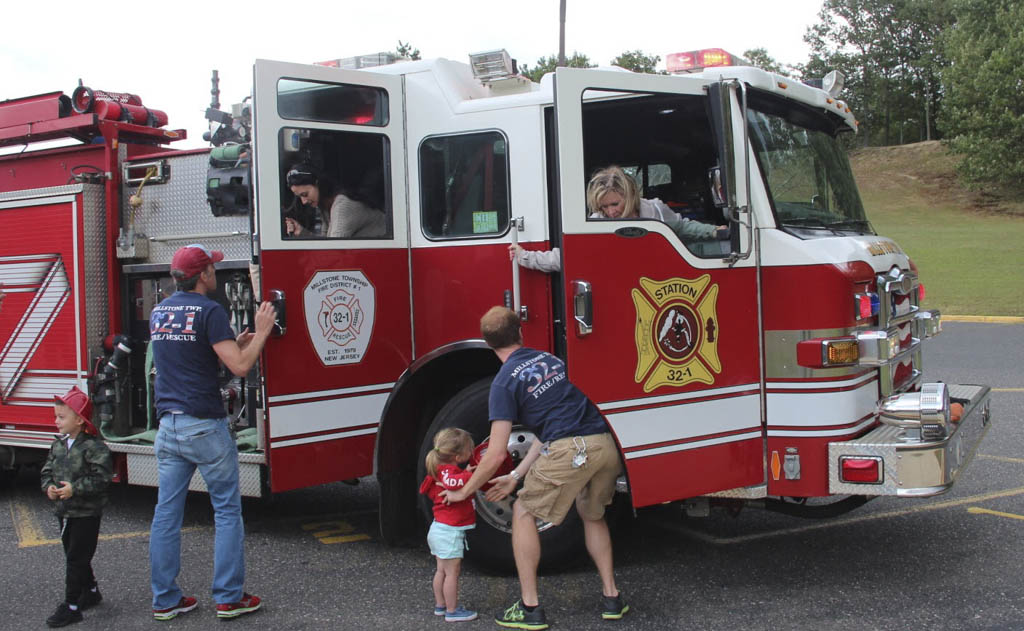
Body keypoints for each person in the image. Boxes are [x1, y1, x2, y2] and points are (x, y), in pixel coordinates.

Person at [443, 306, 628, 629]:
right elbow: (545, 433)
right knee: (592, 514)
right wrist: (517, 476)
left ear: (489, 345)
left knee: (524, 513)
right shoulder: (549, 360)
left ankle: (530, 609)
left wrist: (464, 492)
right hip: (604, 445)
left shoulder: (503, 383)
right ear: (521, 333)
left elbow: (496, 451)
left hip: (570, 450)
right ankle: (612, 599)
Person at [148, 243, 275, 621]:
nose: (215, 273)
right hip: (204, 425)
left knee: (166, 515)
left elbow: (188, 358)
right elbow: (239, 368)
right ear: (203, 275)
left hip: (168, 426)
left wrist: (229, 347)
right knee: (226, 512)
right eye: (212, 269)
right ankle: (228, 597)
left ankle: (166, 600)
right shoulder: (210, 310)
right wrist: (263, 331)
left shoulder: (160, 311)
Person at [509, 165, 729, 272]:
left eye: (615, 204)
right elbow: (565, 258)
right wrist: (524, 256)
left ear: (629, 195)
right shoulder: (594, 223)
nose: (611, 212)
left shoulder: (655, 210)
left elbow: (681, 227)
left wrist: (713, 231)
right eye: (604, 207)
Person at [40, 386, 113, 628]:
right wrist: (49, 486)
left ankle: (71, 606)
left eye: (62, 417)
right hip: (65, 513)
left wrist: (75, 488)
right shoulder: (58, 445)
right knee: (75, 555)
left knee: (75, 557)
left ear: (80, 421)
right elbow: (47, 470)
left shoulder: (94, 448)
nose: (56, 421)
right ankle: (91, 591)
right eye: (56, 416)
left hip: (86, 513)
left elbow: (102, 478)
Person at [419, 428, 479, 623]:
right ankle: (452, 611)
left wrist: (464, 473)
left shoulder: (440, 470)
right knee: (452, 573)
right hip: (449, 532)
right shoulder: (448, 474)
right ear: (458, 455)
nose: (471, 453)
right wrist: (474, 477)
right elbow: (454, 481)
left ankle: (440, 605)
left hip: (439, 529)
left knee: (441, 571)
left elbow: (453, 478)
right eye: (469, 450)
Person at [286, 163, 387, 238]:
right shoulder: (326, 206)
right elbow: (326, 243)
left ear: (318, 183)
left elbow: (333, 251)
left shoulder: (343, 206)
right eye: (300, 197)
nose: (304, 201)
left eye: (305, 194)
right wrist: (302, 232)